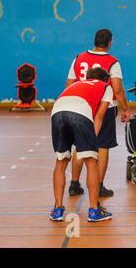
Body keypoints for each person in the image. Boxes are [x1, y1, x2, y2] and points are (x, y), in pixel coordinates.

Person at [65, 28, 130, 198]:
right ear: (109, 43)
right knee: (103, 147)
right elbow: (117, 87)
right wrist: (125, 108)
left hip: (82, 106)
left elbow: (69, 84)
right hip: (104, 107)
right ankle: (99, 186)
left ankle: (74, 184)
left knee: (80, 145)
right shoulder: (112, 61)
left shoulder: (78, 58)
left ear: (94, 41)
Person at [50, 67, 113, 222]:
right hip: (80, 115)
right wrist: (93, 144)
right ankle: (94, 211)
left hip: (57, 113)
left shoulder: (76, 84)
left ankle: (58, 210)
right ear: (105, 80)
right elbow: (98, 116)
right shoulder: (106, 86)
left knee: (61, 161)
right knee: (91, 162)